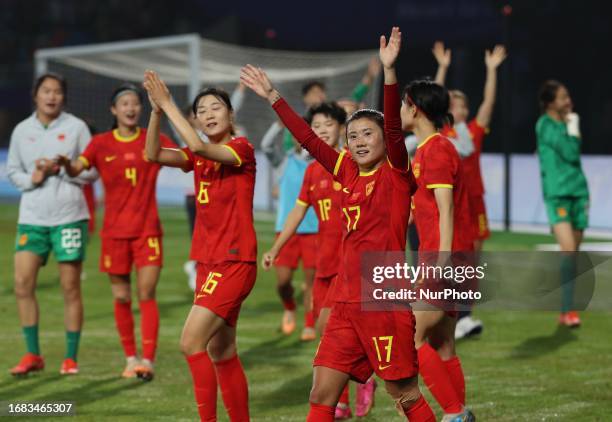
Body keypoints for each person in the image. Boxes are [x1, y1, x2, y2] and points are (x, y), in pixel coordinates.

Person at [242, 27, 437, 421]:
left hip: (383, 298)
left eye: (369, 133)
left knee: (404, 393)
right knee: (322, 392)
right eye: (353, 136)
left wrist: (389, 72)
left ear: (385, 139)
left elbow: (397, 132)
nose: (360, 141)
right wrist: (273, 97)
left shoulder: (397, 174)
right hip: (344, 301)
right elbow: (311, 142)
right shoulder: (346, 171)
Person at [144, 71, 257, 422]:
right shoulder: (200, 157)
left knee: (190, 343)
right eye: (202, 110)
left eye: (215, 107)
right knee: (222, 351)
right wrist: (157, 113)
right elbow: (152, 155)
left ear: (230, 115)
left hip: (234, 262)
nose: (208, 114)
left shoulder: (240, 148)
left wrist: (169, 104)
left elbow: (196, 145)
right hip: (210, 263)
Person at [57, 83, 174, 381]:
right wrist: (66, 166)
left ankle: (147, 360)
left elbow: (187, 155)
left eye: (135, 103)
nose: (131, 108)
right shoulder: (100, 144)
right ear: (114, 110)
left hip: (147, 231)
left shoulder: (154, 139)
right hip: (114, 234)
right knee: (122, 297)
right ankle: (130, 358)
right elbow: (78, 169)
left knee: (146, 293)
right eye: (125, 103)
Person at [8, 72, 96, 376]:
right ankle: (33, 354)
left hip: (69, 218)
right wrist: (32, 178)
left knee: (70, 287)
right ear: (36, 95)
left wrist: (65, 168)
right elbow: (12, 171)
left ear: (63, 97)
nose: (51, 96)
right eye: (46, 91)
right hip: (32, 219)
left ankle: (71, 357)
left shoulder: (77, 128)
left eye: (57, 91)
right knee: (22, 284)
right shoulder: (22, 130)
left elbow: (92, 171)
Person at [403, 75, 475, 420]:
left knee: (409, 338)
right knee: (443, 343)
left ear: (415, 110)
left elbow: (447, 209)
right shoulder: (427, 149)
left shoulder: (435, 149)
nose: (400, 110)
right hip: (444, 257)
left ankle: (454, 412)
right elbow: (431, 208)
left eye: (404, 104)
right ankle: (460, 412)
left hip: (444, 259)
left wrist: (441, 261)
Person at [432, 41, 507, 339]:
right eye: (450, 103)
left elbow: (488, 105)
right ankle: (445, 310)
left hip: (474, 202)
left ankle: (465, 313)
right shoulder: (439, 133)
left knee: (472, 260)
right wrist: (443, 68)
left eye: (460, 104)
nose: (455, 107)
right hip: (448, 202)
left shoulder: (472, 131)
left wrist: (491, 71)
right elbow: (430, 100)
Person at [536, 80, 589, 328]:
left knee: (573, 255)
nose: (567, 101)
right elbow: (568, 151)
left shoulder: (570, 121)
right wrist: (572, 124)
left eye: (567, 96)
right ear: (550, 103)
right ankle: (566, 308)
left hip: (578, 192)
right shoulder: (544, 125)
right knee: (567, 249)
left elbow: (575, 151)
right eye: (562, 97)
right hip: (557, 195)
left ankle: (566, 309)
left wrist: (573, 123)